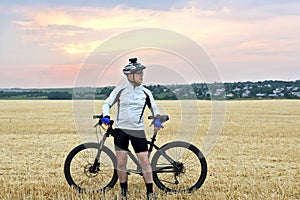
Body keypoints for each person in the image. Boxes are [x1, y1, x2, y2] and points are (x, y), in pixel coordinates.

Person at [101, 58, 163, 200]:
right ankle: (123, 192)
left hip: (137, 131)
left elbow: (154, 108)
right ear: (129, 76)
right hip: (121, 130)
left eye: (142, 73)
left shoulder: (146, 92)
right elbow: (107, 103)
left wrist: (158, 120)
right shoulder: (120, 90)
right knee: (121, 161)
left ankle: (150, 192)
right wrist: (106, 116)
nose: (142, 75)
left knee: (144, 161)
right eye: (138, 73)